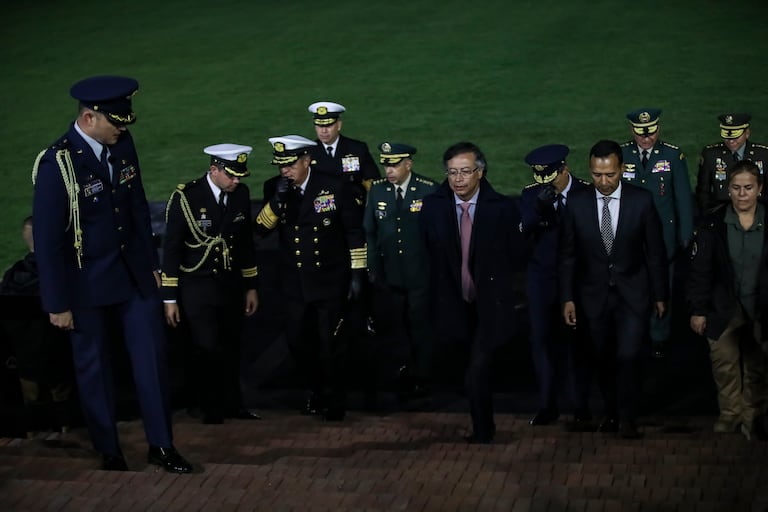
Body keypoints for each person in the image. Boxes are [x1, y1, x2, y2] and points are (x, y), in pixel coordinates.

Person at [31, 76, 192, 472]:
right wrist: (57, 303)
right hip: (84, 285)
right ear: (89, 118)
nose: (122, 128)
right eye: (115, 122)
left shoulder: (122, 144)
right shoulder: (57, 164)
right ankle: (109, 450)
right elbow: (48, 243)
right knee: (94, 370)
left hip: (133, 278)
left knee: (152, 362)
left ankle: (162, 445)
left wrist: (150, 266)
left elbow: (136, 207)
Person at [559, 139, 668, 439]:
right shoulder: (577, 203)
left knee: (628, 355)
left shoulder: (641, 201)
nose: (603, 182)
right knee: (602, 357)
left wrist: (660, 294)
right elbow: (567, 255)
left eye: (610, 174)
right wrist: (567, 297)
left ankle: (628, 417)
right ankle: (611, 413)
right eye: (597, 174)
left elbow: (655, 252)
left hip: (633, 294)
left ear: (621, 169)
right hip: (592, 296)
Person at [254, 135, 366, 421]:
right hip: (294, 283)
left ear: (307, 160)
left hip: (329, 280)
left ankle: (335, 399)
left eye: (290, 165)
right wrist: (277, 202)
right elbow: (261, 230)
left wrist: (357, 273)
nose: (285, 171)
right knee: (298, 343)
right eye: (281, 166)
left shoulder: (334, 186)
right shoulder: (274, 187)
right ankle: (314, 390)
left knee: (332, 345)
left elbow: (354, 231)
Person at [420, 141, 523, 443]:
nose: (458, 179)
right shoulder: (433, 207)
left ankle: (483, 429)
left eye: (465, 171)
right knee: (468, 368)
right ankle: (483, 422)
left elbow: (516, 256)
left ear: (480, 172)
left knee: (477, 368)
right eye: (452, 172)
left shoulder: (502, 209)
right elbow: (426, 254)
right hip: (453, 305)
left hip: (489, 305)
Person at [161, 144, 260, 424]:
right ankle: (208, 406)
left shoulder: (240, 194)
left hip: (230, 285)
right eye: (231, 175)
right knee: (206, 347)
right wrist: (169, 297)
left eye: (240, 175)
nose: (236, 180)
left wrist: (251, 285)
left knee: (231, 346)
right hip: (197, 285)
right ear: (214, 170)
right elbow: (172, 249)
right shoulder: (187, 197)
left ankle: (233, 404)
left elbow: (244, 244)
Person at [687, 160, 768, 441]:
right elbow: (700, 271)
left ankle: (753, 416)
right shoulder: (712, 223)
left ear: (760, 189)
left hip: (761, 308)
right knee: (724, 365)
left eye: (748, 187)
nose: (742, 194)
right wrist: (698, 310)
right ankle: (731, 414)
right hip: (723, 307)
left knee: (758, 367)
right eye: (736, 187)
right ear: (728, 189)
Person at [519, 144, 591, 427]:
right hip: (542, 279)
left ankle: (581, 405)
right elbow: (523, 230)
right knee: (542, 342)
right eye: (541, 179)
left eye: (551, 178)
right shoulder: (530, 195)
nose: (546, 185)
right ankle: (547, 405)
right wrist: (539, 209)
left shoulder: (585, 192)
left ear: (564, 170)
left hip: (577, 278)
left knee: (578, 343)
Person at [364, 142, 437, 400]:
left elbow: (437, 236)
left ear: (408, 164)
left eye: (394, 165)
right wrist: (372, 267)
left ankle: (422, 376)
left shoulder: (428, 190)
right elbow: (370, 232)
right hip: (389, 275)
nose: (389, 170)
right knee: (395, 328)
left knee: (420, 327)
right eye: (386, 165)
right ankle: (401, 373)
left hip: (420, 275)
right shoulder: (377, 190)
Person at [621, 108, 694, 358]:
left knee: (663, 284)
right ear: (632, 131)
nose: (646, 138)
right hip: (631, 235)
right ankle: (634, 332)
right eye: (641, 133)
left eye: (650, 132)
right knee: (631, 284)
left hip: (663, 235)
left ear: (658, 128)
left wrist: (685, 233)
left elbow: (683, 198)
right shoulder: (621, 154)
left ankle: (659, 335)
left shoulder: (673, 155)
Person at [0, 216, 75, 433]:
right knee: (65, 412)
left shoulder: (12, 276)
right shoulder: (61, 276)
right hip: (58, 360)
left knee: (33, 414)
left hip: (25, 362)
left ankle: (35, 437)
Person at [696, 113, 768, 213]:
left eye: (736, 136)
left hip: (756, 212)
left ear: (747, 133)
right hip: (721, 212)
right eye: (727, 136)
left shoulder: (763, 154)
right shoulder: (711, 154)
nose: (731, 141)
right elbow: (703, 192)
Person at [307, 101, 380, 194]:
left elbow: (373, 179)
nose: (324, 131)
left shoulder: (356, 148)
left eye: (328, 125)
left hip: (352, 201)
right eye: (319, 126)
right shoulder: (309, 152)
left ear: (339, 125)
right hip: (322, 202)